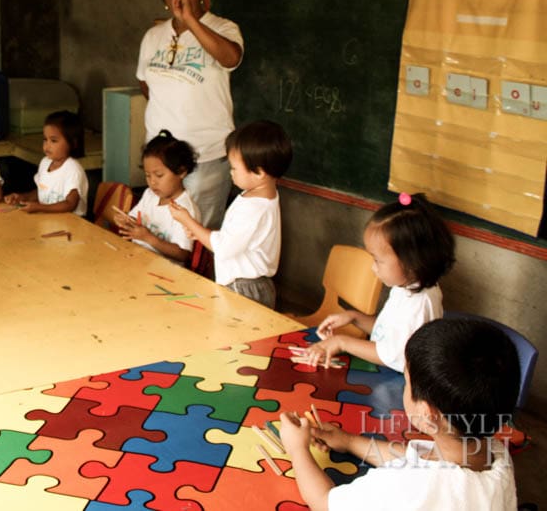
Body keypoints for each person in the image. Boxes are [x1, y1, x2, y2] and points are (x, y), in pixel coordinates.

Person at [280, 317, 520, 510]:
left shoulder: (406, 487)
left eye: (407, 382)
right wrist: (349, 441)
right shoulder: (495, 454)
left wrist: (297, 448)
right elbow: (420, 461)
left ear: (427, 413)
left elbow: (325, 503)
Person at [137, 0, 243, 230]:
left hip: (205, 155)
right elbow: (146, 85)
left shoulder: (223, 28)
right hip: (161, 158)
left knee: (197, 235)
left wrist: (190, 21)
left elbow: (231, 58)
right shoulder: (153, 36)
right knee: (161, 233)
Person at [304, 192, 455, 372]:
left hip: (397, 382)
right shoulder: (405, 287)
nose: (373, 268)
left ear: (411, 262)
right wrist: (354, 317)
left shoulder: (419, 303)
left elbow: (393, 355)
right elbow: (386, 334)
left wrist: (342, 342)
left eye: (378, 260)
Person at [170, 120, 292, 309]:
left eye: (234, 168)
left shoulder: (252, 207)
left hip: (243, 289)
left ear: (259, 172)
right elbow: (236, 239)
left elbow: (223, 247)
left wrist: (188, 221)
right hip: (251, 285)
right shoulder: (264, 195)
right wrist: (200, 234)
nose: (231, 172)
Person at [113, 130, 198, 265]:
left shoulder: (184, 209)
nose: (152, 182)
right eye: (148, 175)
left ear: (181, 171)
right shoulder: (149, 195)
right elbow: (135, 219)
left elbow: (182, 254)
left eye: (159, 175)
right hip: (137, 258)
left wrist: (148, 238)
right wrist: (125, 220)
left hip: (164, 271)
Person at [4, 110, 88, 216]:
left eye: (53, 141)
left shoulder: (73, 169)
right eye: (45, 139)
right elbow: (42, 191)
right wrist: (23, 197)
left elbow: (70, 204)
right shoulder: (45, 163)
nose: (47, 145)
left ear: (73, 143)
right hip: (48, 220)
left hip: (71, 223)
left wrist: (39, 207)